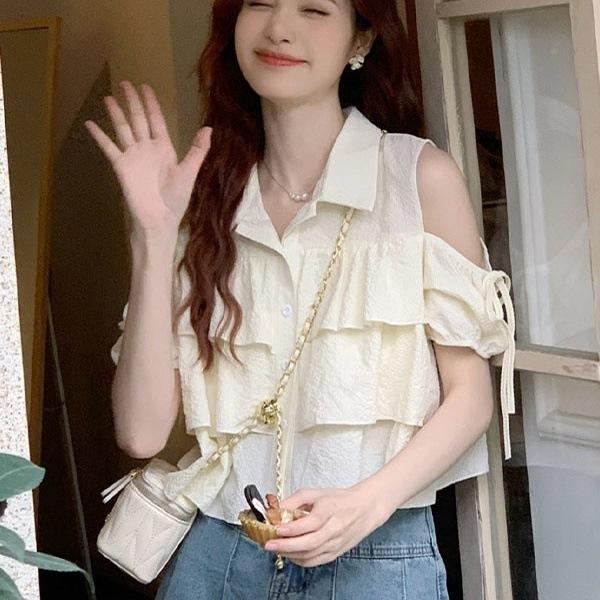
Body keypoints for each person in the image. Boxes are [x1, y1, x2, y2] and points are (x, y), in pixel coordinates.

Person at [85, 0, 516, 598]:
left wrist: (368, 503)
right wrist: (152, 238)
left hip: (377, 555)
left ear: (360, 39)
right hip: (217, 557)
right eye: (260, 3)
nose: (279, 28)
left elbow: (470, 398)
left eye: (314, 8)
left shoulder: (417, 178)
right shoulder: (201, 193)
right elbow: (141, 434)